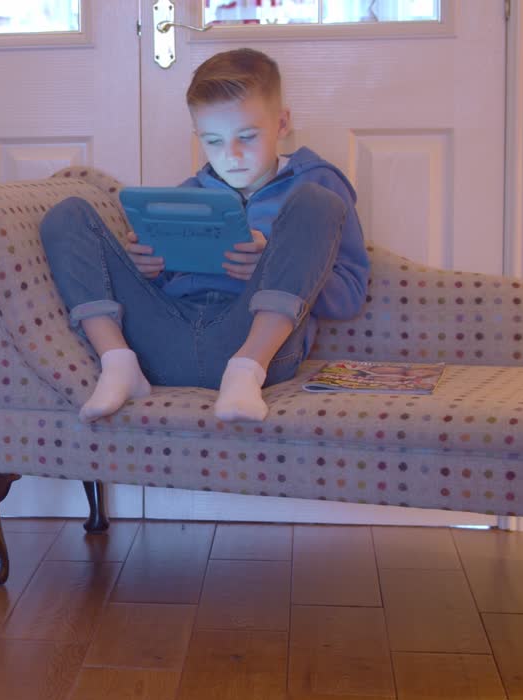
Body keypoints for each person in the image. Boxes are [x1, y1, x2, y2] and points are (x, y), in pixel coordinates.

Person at [39, 47, 369, 423]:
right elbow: (161, 285)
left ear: (281, 123)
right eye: (213, 141)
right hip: (163, 347)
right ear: (198, 136)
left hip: (260, 348)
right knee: (67, 215)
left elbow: (349, 297)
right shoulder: (188, 193)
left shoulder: (317, 185)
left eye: (247, 136)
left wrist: (272, 267)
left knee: (316, 201)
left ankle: (246, 369)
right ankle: (117, 364)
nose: (232, 155)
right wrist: (148, 270)